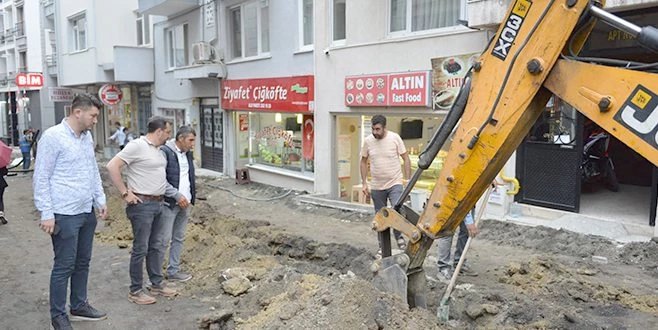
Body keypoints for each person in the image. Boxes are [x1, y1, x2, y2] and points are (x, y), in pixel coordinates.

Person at [33, 93, 108, 330]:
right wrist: (46, 212)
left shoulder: (85, 137)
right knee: (64, 264)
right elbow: (41, 176)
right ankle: (58, 315)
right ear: (78, 112)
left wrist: (100, 198)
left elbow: (92, 169)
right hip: (64, 213)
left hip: (86, 211)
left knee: (83, 262)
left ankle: (79, 304)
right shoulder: (53, 137)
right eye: (93, 115)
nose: (96, 120)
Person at [106, 116, 176, 305]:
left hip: (158, 203)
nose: (169, 136)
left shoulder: (159, 150)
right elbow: (112, 166)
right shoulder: (137, 145)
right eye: (168, 132)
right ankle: (136, 290)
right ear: (159, 131)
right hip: (142, 204)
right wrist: (124, 192)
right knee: (141, 248)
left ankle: (156, 284)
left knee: (156, 246)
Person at [360, 114, 411, 258]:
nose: (375, 132)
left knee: (397, 208)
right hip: (377, 186)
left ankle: (399, 236)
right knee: (380, 217)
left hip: (395, 182)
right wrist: (364, 182)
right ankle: (383, 247)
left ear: (384, 128)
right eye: (373, 129)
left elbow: (406, 158)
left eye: (378, 129)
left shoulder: (395, 138)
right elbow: (363, 161)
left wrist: (407, 180)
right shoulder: (368, 141)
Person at [160, 126, 196, 282]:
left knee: (179, 238)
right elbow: (161, 180)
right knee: (163, 240)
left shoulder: (188, 155)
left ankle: (173, 271)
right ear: (180, 138)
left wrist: (189, 197)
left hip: (185, 203)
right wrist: (176, 195)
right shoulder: (165, 152)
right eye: (190, 140)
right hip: (170, 203)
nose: (193, 144)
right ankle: (155, 277)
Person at [436, 209, 479, 282]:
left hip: (469, 204)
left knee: (466, 231)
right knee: (446, 233)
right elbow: (465, 201)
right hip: (451, 202)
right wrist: (469, 221)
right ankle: (443, 269)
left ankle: (459, 263)